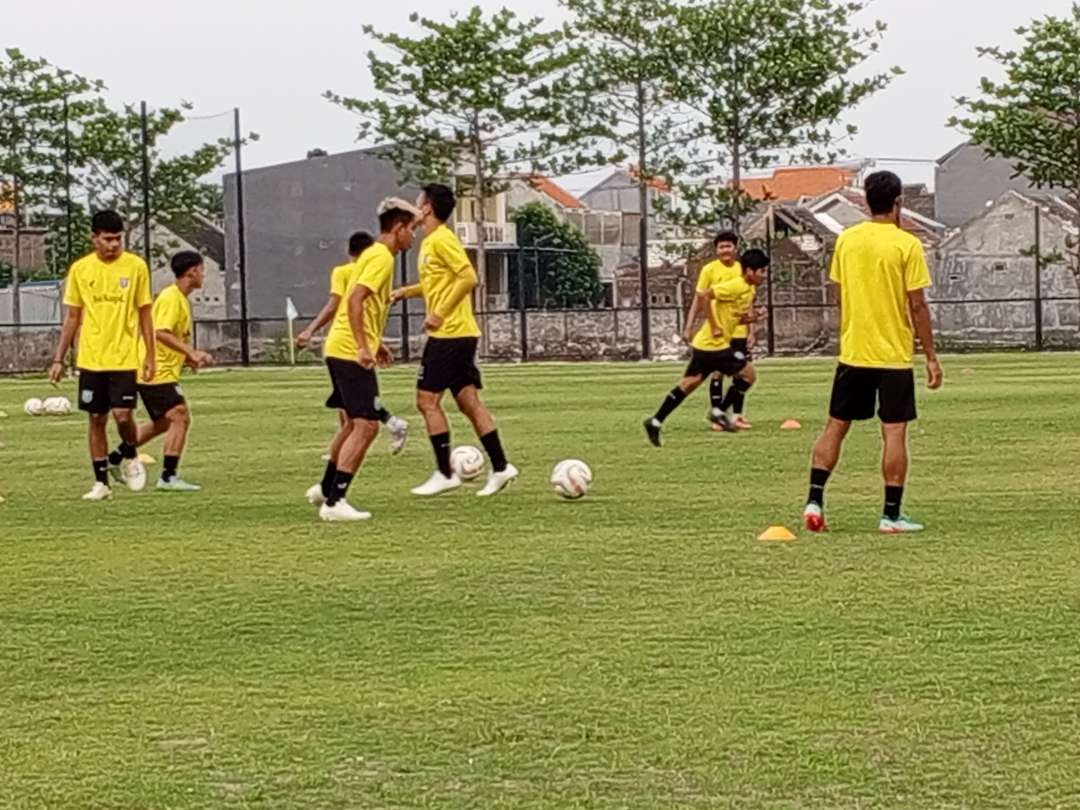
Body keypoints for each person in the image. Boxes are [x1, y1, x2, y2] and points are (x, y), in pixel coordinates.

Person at [803, 171, 943, 535]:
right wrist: (930, 355)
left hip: (853, 352)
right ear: (898, 202)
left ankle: (814, 500)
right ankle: (890, 515)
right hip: (893, 355)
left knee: (836, 426)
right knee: (894, 432)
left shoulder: (847, 241)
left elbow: (840, 293)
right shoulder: (906, 245)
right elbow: (918, 306)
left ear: (866, 201)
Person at [390, 183, 518, 497]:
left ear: (427, 208)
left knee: (426, 401)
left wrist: (439, 313)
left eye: (418, 203)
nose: (415, 209)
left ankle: (445, 473)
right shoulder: (433, 242)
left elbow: (469, 277)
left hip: (450, 334)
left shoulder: (441, 239)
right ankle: (501, 467)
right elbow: (437, 281)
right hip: (461, 333)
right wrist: (406, 292)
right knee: (468, 402)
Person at [306, 199, 417, 521]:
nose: (413, 237)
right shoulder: (381, 257)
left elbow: (361, 306)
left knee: (356, 423)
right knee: (367, 426)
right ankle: (335, 503)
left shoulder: (372, 255)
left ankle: (327, 490)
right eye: (411, 229)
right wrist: (363, 346)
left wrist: (374, 341)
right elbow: (355, 300)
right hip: (347, 351)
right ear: (398, 228)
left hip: (341, 347)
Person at [49, 210, 156, 501]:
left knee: (123, 416)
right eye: (108, 239)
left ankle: (130, 454)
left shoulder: (135, 267)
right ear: (94, 238)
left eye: (118, 239)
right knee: (96, 417)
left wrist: (150, 355)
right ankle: (101, 483)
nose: (113, 245)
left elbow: (146, 313)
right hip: (91, 358)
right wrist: (59, 358)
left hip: (124, 357)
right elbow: (72, 317)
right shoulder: (81, 270)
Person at [105, 251, 214, 492]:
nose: (203, 275)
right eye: (202, 270)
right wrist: (191, 352)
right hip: (154, 370)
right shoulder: (171, 298)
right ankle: (168, 477)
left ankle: (113, 459)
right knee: (180, 415)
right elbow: (160, 332)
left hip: (159, 370)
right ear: (192, 271)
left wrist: (187, 358)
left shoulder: (180, 299)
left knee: (164, 422)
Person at [297, 231, 409, 454]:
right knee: (353, 411)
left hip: (346, 344)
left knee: (354, 417)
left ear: (349, 252)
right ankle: (387, 424)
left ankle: (336, 463)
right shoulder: (376, 269)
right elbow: (373, 312)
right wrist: (376, 343)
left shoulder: (344, 271)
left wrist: (309, 330)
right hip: (361, 340)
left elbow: (334, 305)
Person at [644, 249, 769, 446]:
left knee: (688, 384)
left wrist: (753, 318)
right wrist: (715, 325)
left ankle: (655, 421)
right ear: (750, 271)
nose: (764, 275)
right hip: (714, 345)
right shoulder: (736, 285)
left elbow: (735, 317)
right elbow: (705, 296)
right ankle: (718, 412)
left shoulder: (749, 290)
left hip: (705, 345)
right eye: (762, 271)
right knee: (749, 375)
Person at [684, 231, 755, 431]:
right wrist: (689, 326)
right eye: (721, 247)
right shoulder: (709, 270)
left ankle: (738, 416)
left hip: (739, 331)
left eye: (729, 246)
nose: (725, 250)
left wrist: (752, 331)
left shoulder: (743, 270)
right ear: (716, 250)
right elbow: (700, 299)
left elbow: (747, 301)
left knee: (742, 374)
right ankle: (717, 417)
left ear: (735, 248)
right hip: (719, 333)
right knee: (717, 373)